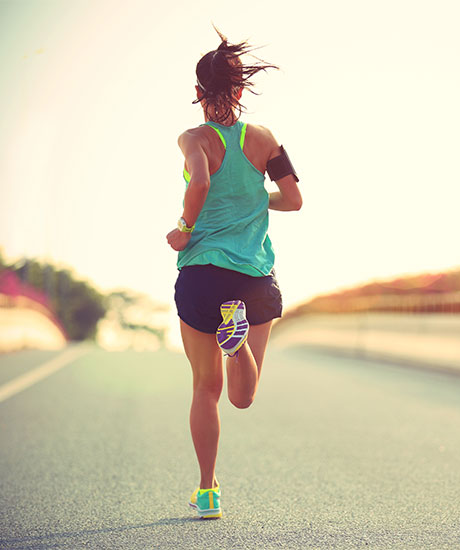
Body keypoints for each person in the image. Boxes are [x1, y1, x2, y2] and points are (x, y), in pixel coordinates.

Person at [166, 30, 302, 519]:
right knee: (243, 396)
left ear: (198, 92)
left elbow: (200, 180)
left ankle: (207, 491)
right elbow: (294, 199)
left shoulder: (193, 138)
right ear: (241, 91)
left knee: (206, 389)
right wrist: (254, 199)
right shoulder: (264, 139)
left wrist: (184, 228)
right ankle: (237, 342)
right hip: (253, 280)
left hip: (203, 274)